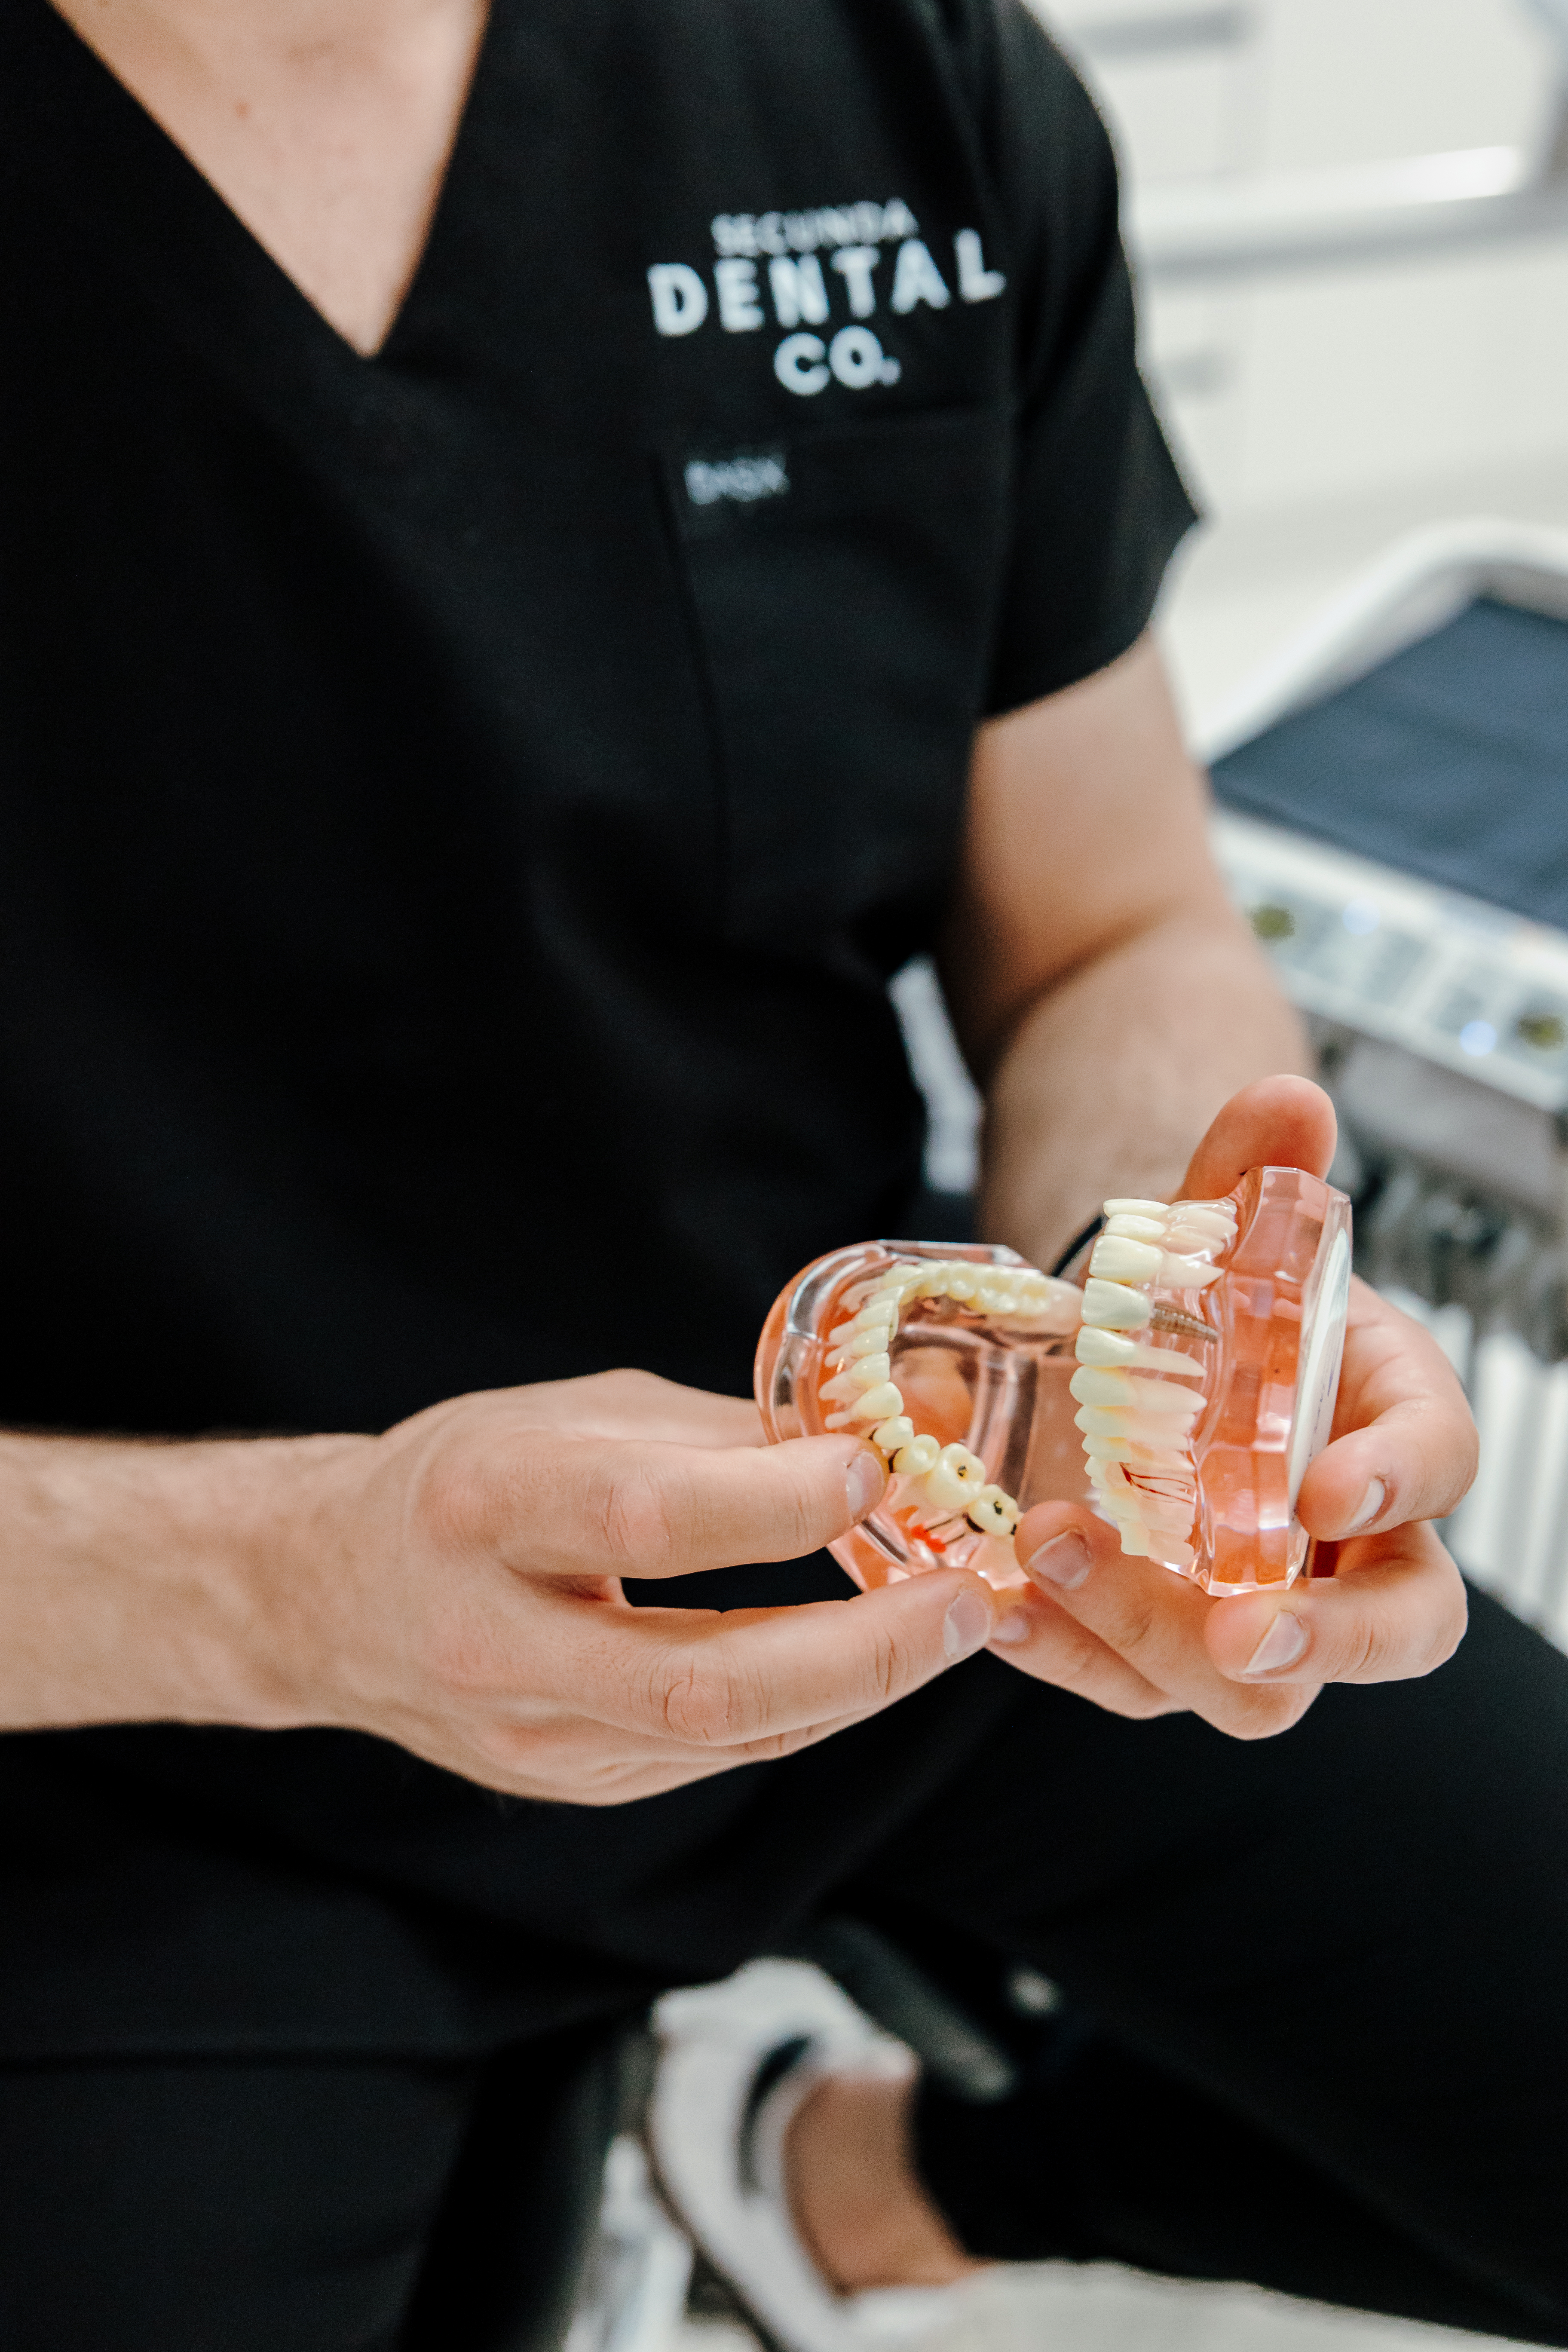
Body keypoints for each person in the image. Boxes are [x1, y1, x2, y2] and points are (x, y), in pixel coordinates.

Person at [0, 0, 1560, 2346]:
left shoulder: (885, 73)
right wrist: (275, 1586)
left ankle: (857, 2172)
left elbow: (1111, 923)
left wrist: (1172, 1337)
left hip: (905, 1545)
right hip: (124, 1714)